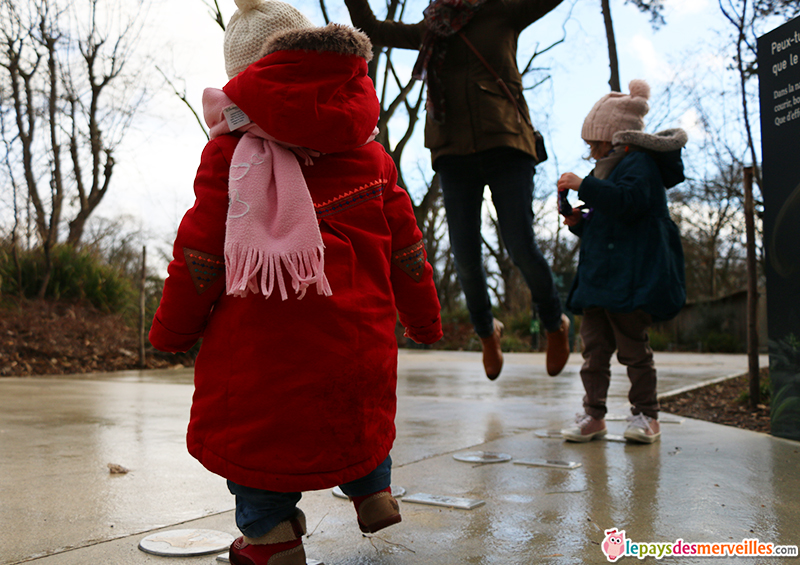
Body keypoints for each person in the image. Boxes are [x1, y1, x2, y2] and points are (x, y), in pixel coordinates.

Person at [149, 1, 442, 563]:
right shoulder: (372, 156)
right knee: (359, 414)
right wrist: (425, 319)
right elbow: (408, 253)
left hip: (262, 357)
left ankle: (271, 539)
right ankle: (373, 491)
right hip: (361, 344)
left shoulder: (230, 156)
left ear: (243, 78)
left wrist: (171, 331)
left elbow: (200, 257)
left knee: (260, 445)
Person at [344, 0, 571, 380]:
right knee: (464, 254)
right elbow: (372, 28)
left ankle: (554, 323)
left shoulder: (504, 12)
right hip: (452, 151)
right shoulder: (430, 28)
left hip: (506, 143)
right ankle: (487, 332)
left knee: (519, 243)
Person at [556, 80, 687, 444]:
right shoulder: (610, 168)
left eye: (594, 144)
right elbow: (610, 218)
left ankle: (647, 415)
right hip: (600, 279)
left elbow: (629, 202)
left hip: (630, 280)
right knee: (593, 352)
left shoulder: (640, 164)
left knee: (634, 350)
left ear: (613, 138)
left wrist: (583, 185)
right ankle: (593, 414)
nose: (591, 153)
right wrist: (580, 222)